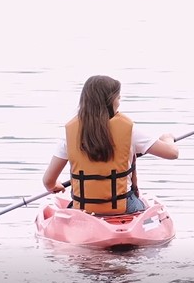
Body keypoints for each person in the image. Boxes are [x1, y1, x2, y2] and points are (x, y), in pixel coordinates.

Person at [41, 75, 179, 215]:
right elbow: (172, 153)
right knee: (145, 206)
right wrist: (167, 138)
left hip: (82, 209)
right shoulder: (129, 130)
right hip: (125, 206)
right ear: (110, 101)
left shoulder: (69, 134)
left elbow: (48, 181)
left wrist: (54, 186)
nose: (119, 103)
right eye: (118, 98)